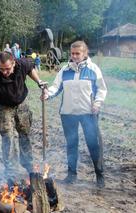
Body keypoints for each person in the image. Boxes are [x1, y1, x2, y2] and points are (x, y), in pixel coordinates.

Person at [42, 41, 107, 188]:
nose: (75, 56)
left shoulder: (93, 69)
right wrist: (47, 94)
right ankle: (71, 174)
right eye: (72, 53)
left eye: (78, 53)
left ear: (85, 53)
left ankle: (99, 175)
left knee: (94, 144)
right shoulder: (64, 70)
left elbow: (102, 89)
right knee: (71, 144)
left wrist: (97, 103)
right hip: (68, 113)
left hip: (88, 113)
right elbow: (56, 87)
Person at [0, 51, 44, 177]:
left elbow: (30, 69)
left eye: (7, 69)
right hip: (4, 106)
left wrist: (39, 82)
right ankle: (11, 170)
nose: (4, 72)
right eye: (1, 69)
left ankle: (28, 164)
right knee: (7, 137)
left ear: (14, 63)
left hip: (21, 103)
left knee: (25, 134)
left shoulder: (22, 64)